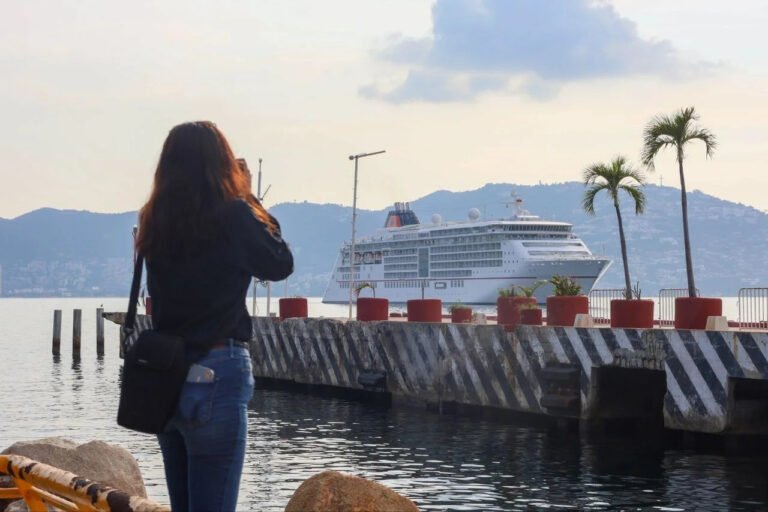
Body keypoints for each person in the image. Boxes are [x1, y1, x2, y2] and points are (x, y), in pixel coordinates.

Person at [135, 121, 293, 511]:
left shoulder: (154, 219)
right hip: (217, 369)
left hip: (166, 376)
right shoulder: (233, 214)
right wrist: (249, 196)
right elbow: (279, 262)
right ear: (223, 164)